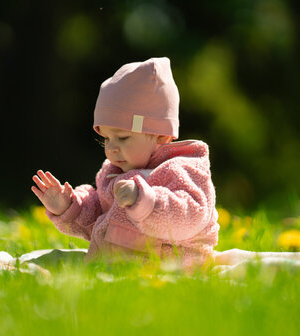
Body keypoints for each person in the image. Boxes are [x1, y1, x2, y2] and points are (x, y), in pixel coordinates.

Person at [31, 57, 220, 270]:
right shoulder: (113, 174)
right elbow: (99, 220)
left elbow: (191, 215)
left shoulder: (182, 170)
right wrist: (68, 208)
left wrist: (146, 202)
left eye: (122, 138)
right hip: (116, 268)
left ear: (160, 136)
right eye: (107, 139)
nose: (111, 148)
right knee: (45, 265)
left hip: (173, 268)